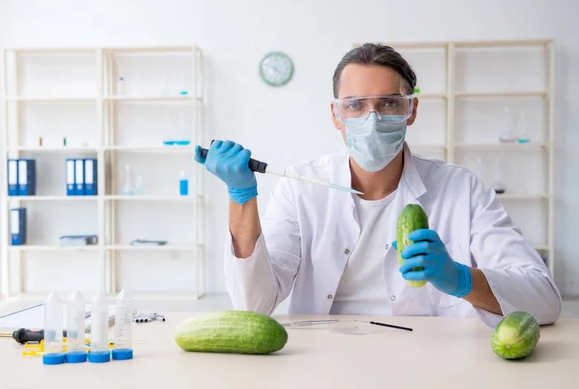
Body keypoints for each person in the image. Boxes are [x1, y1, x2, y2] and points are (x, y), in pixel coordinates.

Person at [194, 43, 561, 328]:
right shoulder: (301, 189)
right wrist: (241, 196)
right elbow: (253, 306)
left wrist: (462, 279)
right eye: (355, 105)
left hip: (431, 359)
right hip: (323, 358)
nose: (372, 119)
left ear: (411, 110)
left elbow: (544, 299)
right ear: (336, 115)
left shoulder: (460, 190)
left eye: (388, 103)